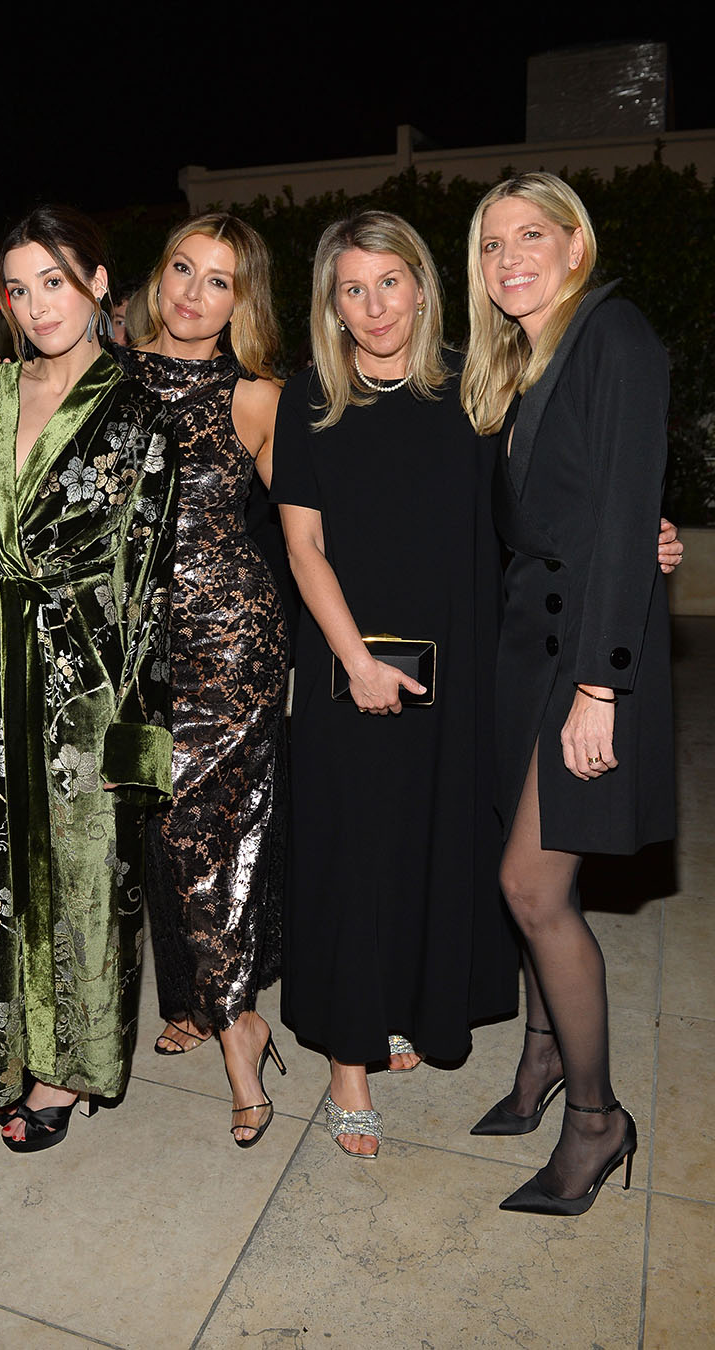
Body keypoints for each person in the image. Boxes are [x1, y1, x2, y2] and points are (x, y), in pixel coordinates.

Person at [271, 211, 520, 1157]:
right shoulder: (311, 401)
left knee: (432, 843)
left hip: (459, 668)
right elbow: (303, 546)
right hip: (350, 664)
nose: (374, 307)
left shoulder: (477, 387)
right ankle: (347, 1060)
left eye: (389, 283)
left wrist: (633, 535)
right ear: (330, 306)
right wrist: (356, 662)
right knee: (354, 854)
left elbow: (530, 506)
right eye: (351, 290)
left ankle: (411, 1005)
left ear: (423, 284)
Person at [460, 172, 676, 1214]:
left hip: (579, 664)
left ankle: (597, 1120)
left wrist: (602, 686)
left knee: (532, 889)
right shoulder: (518, 359)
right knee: (546, 883)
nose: (510, 256)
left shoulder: (614, 337)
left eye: (531, 234)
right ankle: (542, 1059)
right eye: (493, 242)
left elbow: (629, 508)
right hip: (521, 656)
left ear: (575, 242)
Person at [0, 206, 177, 1151]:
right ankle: (11, 1054)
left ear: (98, 286)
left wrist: (139, 736)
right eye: (20, 285)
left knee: (82, 883)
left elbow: (150, 584)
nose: (38, 304)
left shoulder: (138, 410)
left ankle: (65, 1070)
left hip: (86, 682)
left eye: (57, 281)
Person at [112, 213, 289, 1146]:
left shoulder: (256, 396)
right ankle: (229, 1007)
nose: (192, 291)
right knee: (170, 837)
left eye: (218, 280)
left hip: (234, 646)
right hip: (135, 653)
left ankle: (235, 1038)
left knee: (211, 833)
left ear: (240, 298)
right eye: (182, 268)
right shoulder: (101, 376)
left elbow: (317, 529)